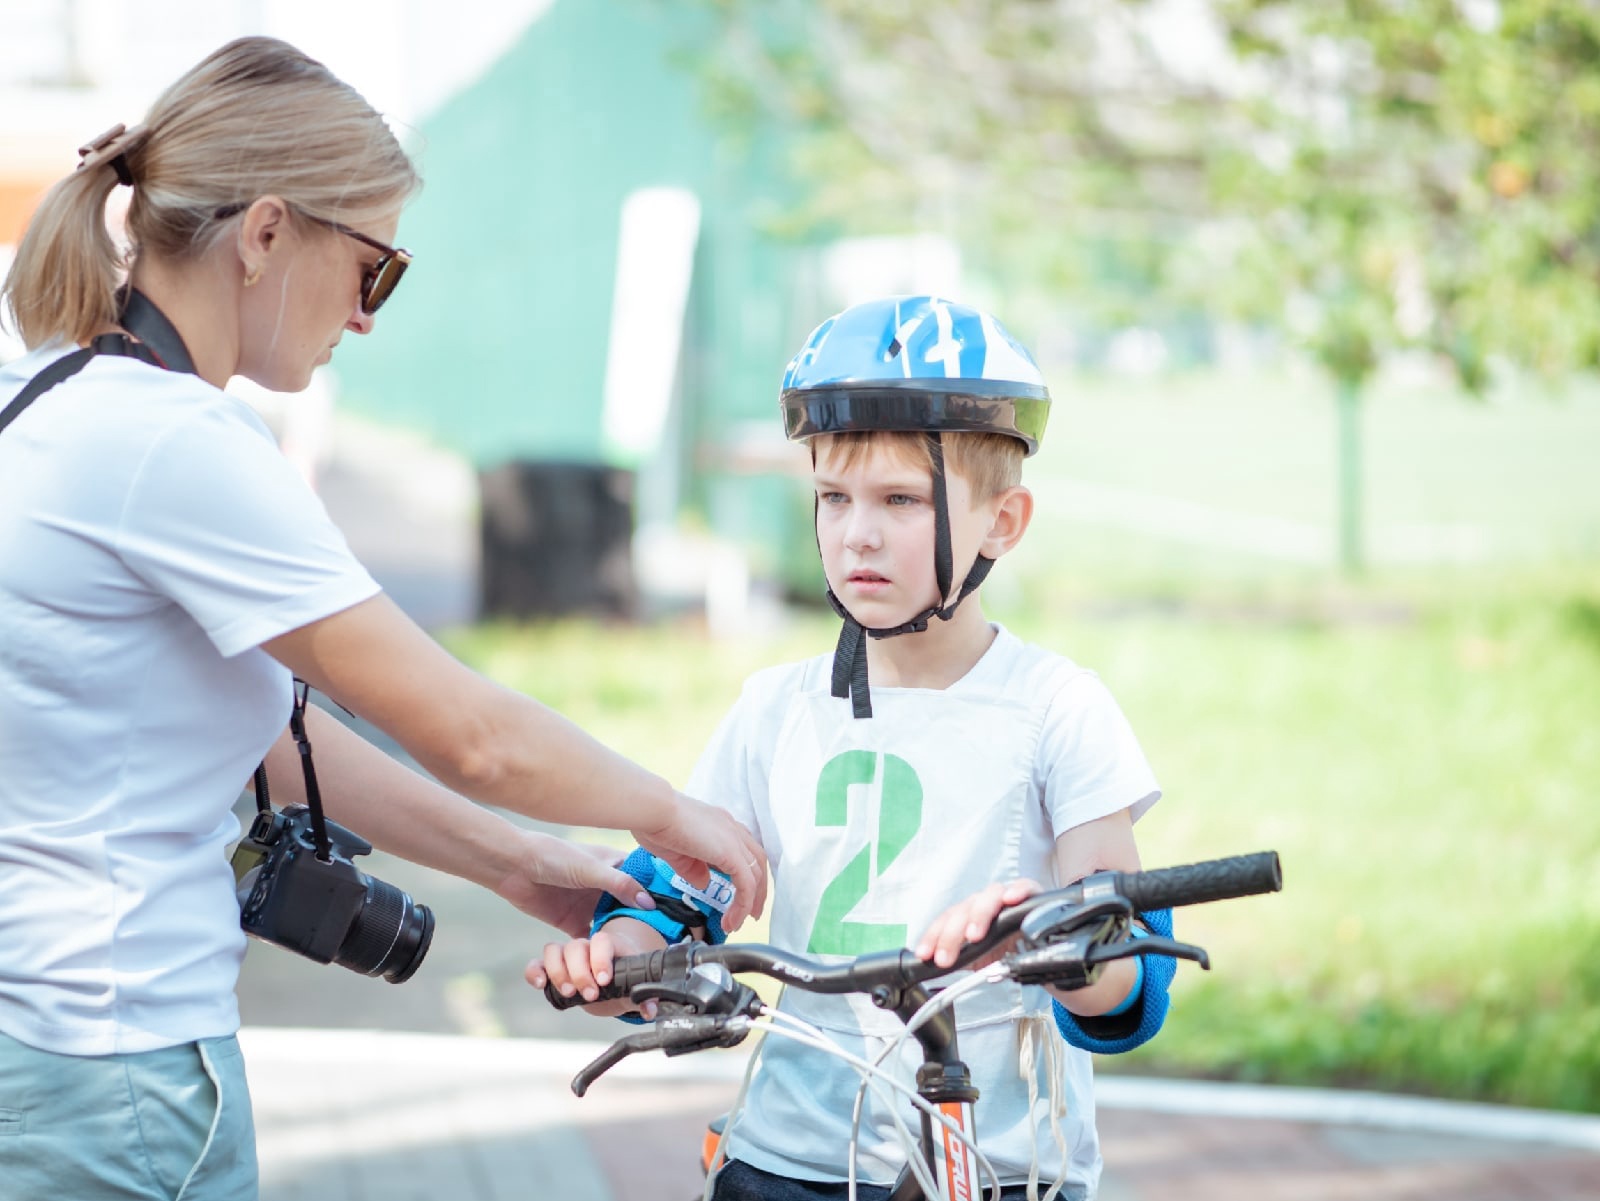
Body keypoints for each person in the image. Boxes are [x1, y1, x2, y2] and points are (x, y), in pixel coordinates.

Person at [0, 36, 766, 1201]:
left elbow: (254, 732)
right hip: (117, 1067)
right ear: (265, 234)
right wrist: (676, 814)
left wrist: (521, 862)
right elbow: (472, 733)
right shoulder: (172, 441)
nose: (366, 317)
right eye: (374, 267)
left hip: (45, 1048)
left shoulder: (51, 394)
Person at [534, 295, 1173, 1201]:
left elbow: (1126, 967)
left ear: (1003, 521)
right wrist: (614, 957)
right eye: (834, 496)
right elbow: (678, 898)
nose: (856, 532)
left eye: (901, 500)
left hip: (991, 1166)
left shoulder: (1057, 707)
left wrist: (1056, 936)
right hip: (790, 1159)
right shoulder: (775, 709)